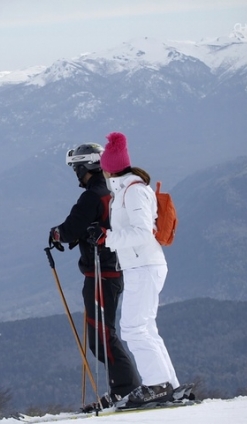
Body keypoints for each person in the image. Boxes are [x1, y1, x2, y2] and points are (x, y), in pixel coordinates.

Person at [49, 143, 140, 407]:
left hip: (101, 272)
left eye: (77, 168)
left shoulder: (93, 196)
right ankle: (124, 389)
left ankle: (125, 390)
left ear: (86, 167)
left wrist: (55, 233)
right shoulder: (114, 191)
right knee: (103, 333)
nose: (77, 174)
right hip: (117, 268)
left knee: (101, 336)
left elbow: (70, 229)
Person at [96, 131, 180, 407]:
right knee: (145, 327)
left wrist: (107, 238)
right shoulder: (126, 190)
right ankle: (170, 385)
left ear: (108, 168)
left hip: (144, 265)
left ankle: (157, 385)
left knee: (133, 328)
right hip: (141, 264)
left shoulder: (133, 192)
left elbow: (143, 231)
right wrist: (107, 232)